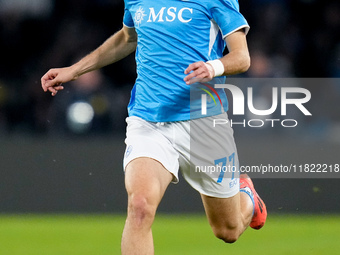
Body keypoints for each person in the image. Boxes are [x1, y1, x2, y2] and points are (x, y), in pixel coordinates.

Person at [41, 1, 267, 254]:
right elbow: (127, 39)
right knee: (139, 207)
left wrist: (212, 67)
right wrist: (74, 71)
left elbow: (242, 57)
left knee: (228, 230)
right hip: (148, 120)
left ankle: (246, 195)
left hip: (203, 121)